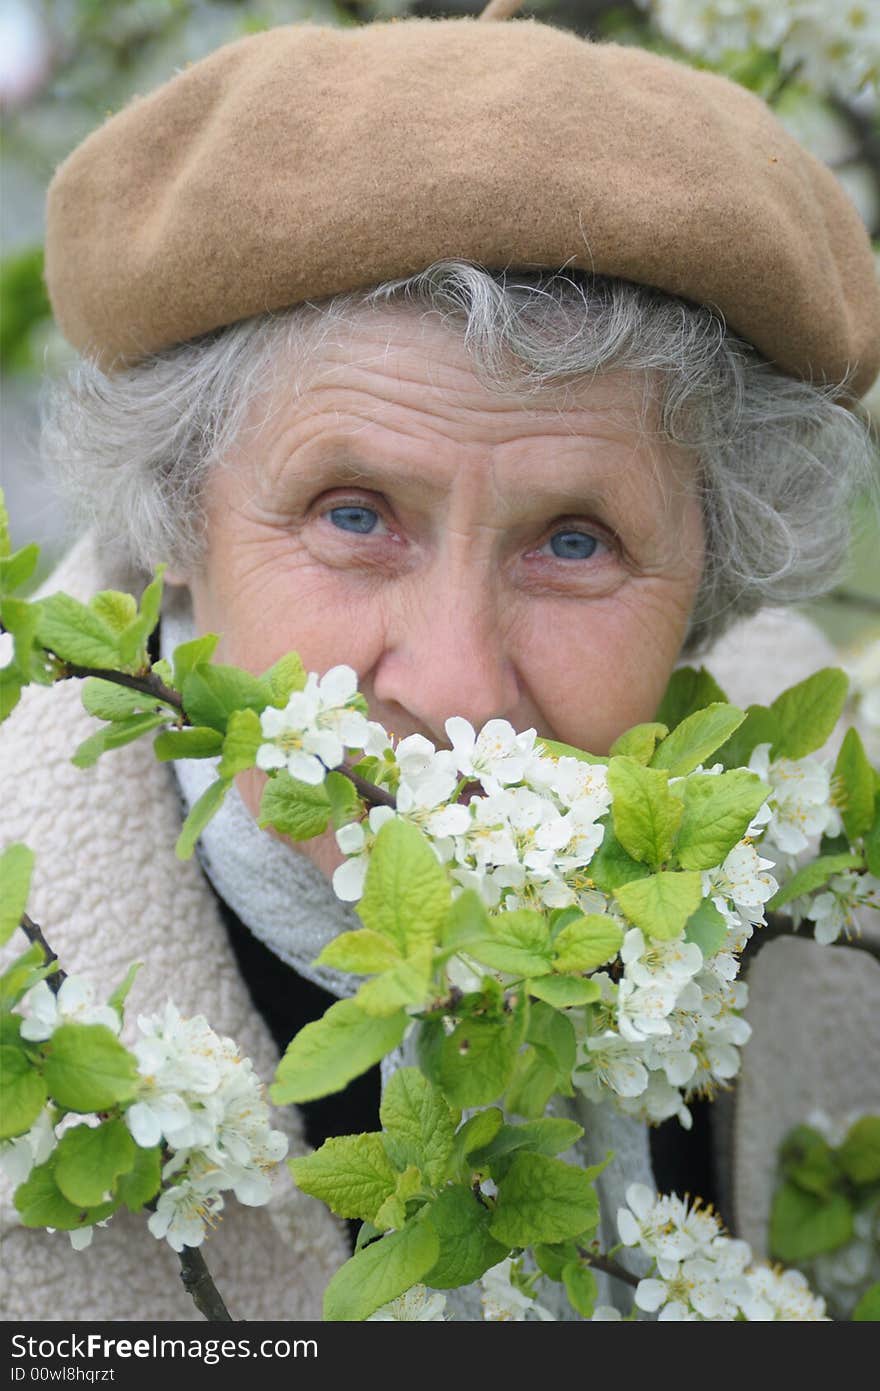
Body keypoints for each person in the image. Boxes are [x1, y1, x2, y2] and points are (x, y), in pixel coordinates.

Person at [2, 9, 879, 1322]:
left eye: (576, 541)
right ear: (178, 518)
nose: (457, 684)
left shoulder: (831, 882)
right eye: (355, 516)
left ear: (712, 584)